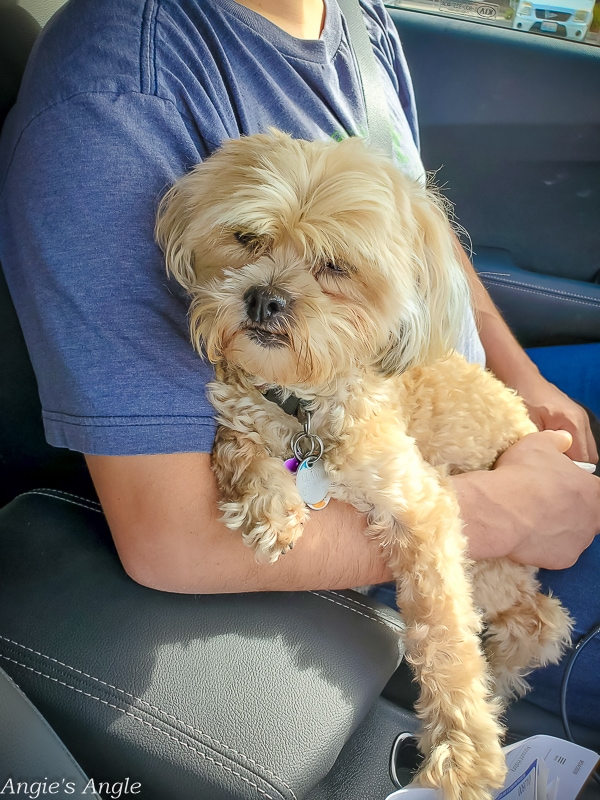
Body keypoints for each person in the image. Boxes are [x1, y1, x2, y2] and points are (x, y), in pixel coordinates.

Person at [0, 0, 598, 729]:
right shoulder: (120, 101)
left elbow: (421, 235)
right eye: (251, 239)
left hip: (445, 402)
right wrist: (508, 513)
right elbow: (176, 540)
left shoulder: (358, 18)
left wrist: (523, 376)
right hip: (367, 497)